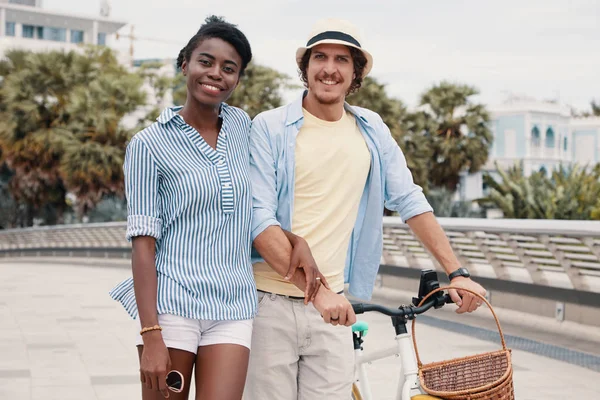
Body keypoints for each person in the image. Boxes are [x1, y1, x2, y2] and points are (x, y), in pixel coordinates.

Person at [244, 18, 488, 399]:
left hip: (336, 308)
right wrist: (318, 293)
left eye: (342, 60)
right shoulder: (270, 127)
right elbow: (258, 218)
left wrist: (457, 272)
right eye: (320, 57)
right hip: (268, 305)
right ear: (305, 69)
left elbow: (409, 199)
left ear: (355, 73)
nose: (329, 68)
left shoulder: (371, 130)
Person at [109, 16, 323, 400]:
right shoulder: (147, 145)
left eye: (229, 69)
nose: (215, 75)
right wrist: (150, 334)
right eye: (205, 62)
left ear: (238, 79)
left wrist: (293, 240)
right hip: (174, 303)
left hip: (233, 303)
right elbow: (143, 244)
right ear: (185, 64)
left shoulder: (242, 126)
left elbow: (250, 208)